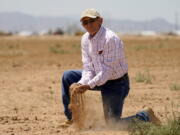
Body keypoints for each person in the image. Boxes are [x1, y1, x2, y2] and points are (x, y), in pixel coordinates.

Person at [60, 9, 161, 128]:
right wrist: (81, 83)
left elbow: (106, 71)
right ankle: (73, 119)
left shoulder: (110, 39)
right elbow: (88, 68)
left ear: (100, 21)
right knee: (68, 76)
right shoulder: (85, 39)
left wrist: (88, 85)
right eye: (85, 22)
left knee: (113, 124)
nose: (89, 25)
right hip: (98, 77)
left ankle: (145, 116)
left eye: (91, 20)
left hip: (116, 83)